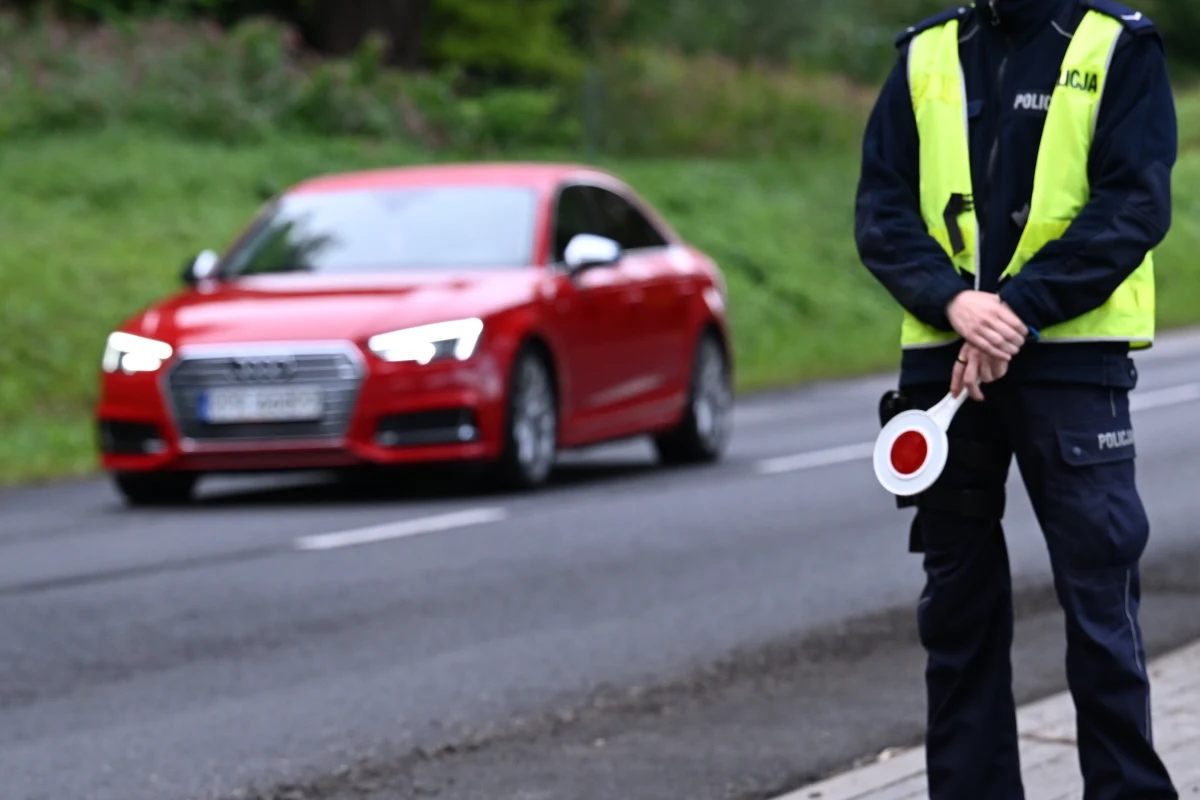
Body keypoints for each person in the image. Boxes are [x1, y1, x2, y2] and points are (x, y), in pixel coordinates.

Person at [854, 0, 1179, 797]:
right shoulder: (926, 53)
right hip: (946, 369)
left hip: (1071, 363)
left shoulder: (1117, 45)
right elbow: (882, 209)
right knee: (956, 616)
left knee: (1100, 610)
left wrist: (1019, 309)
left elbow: (1133, 203)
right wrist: (953, 303)